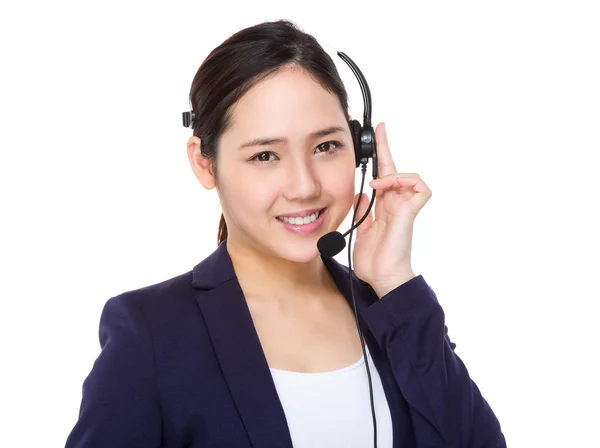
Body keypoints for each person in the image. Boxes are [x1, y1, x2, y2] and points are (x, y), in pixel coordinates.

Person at [65, 19, 506, 448]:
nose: (304, 186)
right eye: (264, 156)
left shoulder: (391, 314)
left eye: (326, 146)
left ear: (361, 148)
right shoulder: (152, 332)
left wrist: (393, 283)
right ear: (204, 162)